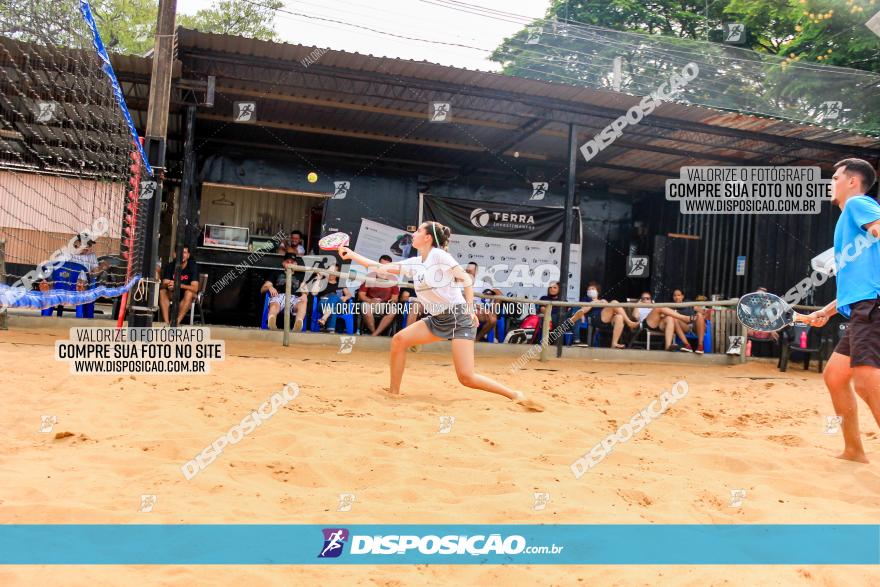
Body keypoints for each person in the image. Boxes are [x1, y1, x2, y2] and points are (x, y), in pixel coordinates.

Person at [338, 221, 543, 411]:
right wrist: (351, 255)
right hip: (437, 318)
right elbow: (380, 268)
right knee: (399, 340)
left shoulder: (439, 256)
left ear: (428, 238)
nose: (414, 233)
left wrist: (470, 309)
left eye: (418, 230)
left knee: (466, 377)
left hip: (458, 318)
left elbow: (466, 280)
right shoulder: (416, 262)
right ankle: (394, 393)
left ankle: (515, 394)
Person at [804, 157, 880, 463]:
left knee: (865, 381)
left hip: (871, 307)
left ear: (852, 181)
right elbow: (860, 282)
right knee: (836, 376)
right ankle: (853, 450)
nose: (830, 183)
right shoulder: (849, 222)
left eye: (835, 177)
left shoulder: (857, 204)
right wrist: (827, 310)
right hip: (860, 307)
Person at [629, 291, 696, 352]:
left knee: (670, 318)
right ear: (640, 300)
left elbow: (662, 314)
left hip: (658, 324)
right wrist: (637, 305)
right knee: (659, 307)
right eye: (643, 298)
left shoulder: (653, 306)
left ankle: (668, 347)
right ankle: (684, 318)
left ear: (651, 300)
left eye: (648, 298)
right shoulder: (639, 307)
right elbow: (635, 316)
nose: (645, 300)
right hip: (646, 323)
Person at [261, 253, 307, 331]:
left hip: (294, 298)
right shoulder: (276, 273)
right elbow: (262, 289)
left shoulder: (301, 275)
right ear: (283, 263)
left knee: (303, 302)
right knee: (275, 305)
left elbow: (304, 289)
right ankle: (271, 321)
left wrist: (304, 294)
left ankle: (298, 324)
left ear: (295, 264)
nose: (289, 264)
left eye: (291, 262)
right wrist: (269, 287)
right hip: (279, 296)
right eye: (287, 262)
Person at [358, 254, 400, 336]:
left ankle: (375, 334)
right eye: (382, 265)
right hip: (370, 303)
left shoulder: (393, 279)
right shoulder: (370, 276)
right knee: (365, 307)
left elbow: (395, 298)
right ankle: (374, 332)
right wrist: (370, 301)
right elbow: (361, 295)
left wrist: (391, 302)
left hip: (384, 304)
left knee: (393, 311)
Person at [158, 246, 200, 325]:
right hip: (173, 293)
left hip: (186, 295)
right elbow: (164, 283)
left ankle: (175, 323)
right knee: (162, 292)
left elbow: (195, 288)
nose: (181, 255)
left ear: (188, 255)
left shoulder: (193, 266)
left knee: (189, 293)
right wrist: (168, 285)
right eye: (179, 252)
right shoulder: (170, 266)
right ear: (174, 254)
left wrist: (178, 285)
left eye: (184, 252)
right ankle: (166, 324)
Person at [465, 262, 502, 341]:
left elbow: (499, 293)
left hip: (478, 311)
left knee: (493, 319)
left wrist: (493, 310)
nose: (468, 272)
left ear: (476, 271)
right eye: (467, 271)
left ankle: (477, 339)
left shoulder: (481, 284)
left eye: (470, 271)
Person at [315, 263, 353, 331]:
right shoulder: (322, 282)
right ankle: (330, 330)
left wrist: (345, 298)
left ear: (337, 273)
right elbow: (314, 293)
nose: (331, 273)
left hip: (339, 306)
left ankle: (324, 319)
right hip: (323, 304)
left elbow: (349, 294)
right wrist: (318, 279)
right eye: (330, 270)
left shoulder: (340, 283)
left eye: (334, 271)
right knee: (334, 305)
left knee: (335, 299)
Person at [670, 288, 707, 354]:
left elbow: (703, 312)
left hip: (695, 325)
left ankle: (700, 346)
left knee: (699, 315)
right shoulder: (672, 307)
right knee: (674, 318)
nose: (677, 297)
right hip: (685, 327)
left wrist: (700, 315)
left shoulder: (688, 303)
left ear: (682, 296)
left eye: (678, 295)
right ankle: (687, 345)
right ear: (673, 297)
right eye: (674, 295)